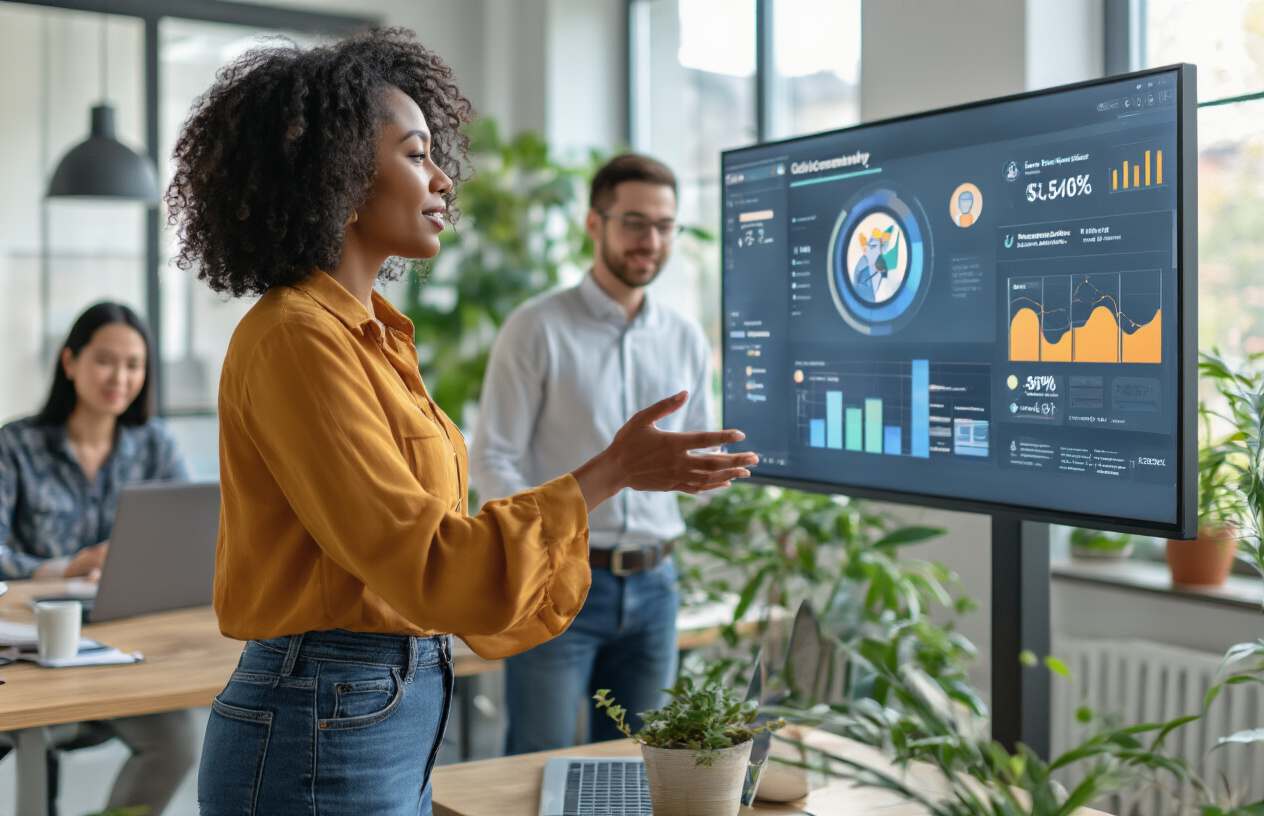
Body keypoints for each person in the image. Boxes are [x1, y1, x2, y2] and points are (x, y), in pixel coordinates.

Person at [163, 29, 757, 815]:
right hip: (324, 713)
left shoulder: (372, 336)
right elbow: (427, 560)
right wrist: (610, 470)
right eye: (415, 154)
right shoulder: (296, 339)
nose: (444, 178)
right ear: (337, 170)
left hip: (375, 697)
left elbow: (437, 556)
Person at [469, 154, 714, 754]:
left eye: (664, 226)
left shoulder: (686, 337)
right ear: (593, 223)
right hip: (559, 579)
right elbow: (492, 460)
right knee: (537, 760)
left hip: (657, 582)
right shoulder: (536, 328)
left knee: (642, 767)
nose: (650, 241)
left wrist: (707, 473)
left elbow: (695, 450)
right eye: (635, 222)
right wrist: (538, 542)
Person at [0, 301, 197, 815]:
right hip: (26, 651)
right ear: (70, 362)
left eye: (134, 365)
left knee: (175, 743)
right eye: (106, 360)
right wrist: (63, 568)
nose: (121, 377)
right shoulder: (15, 446)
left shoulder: (154, 444)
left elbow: (188, 537)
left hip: (122, 647)